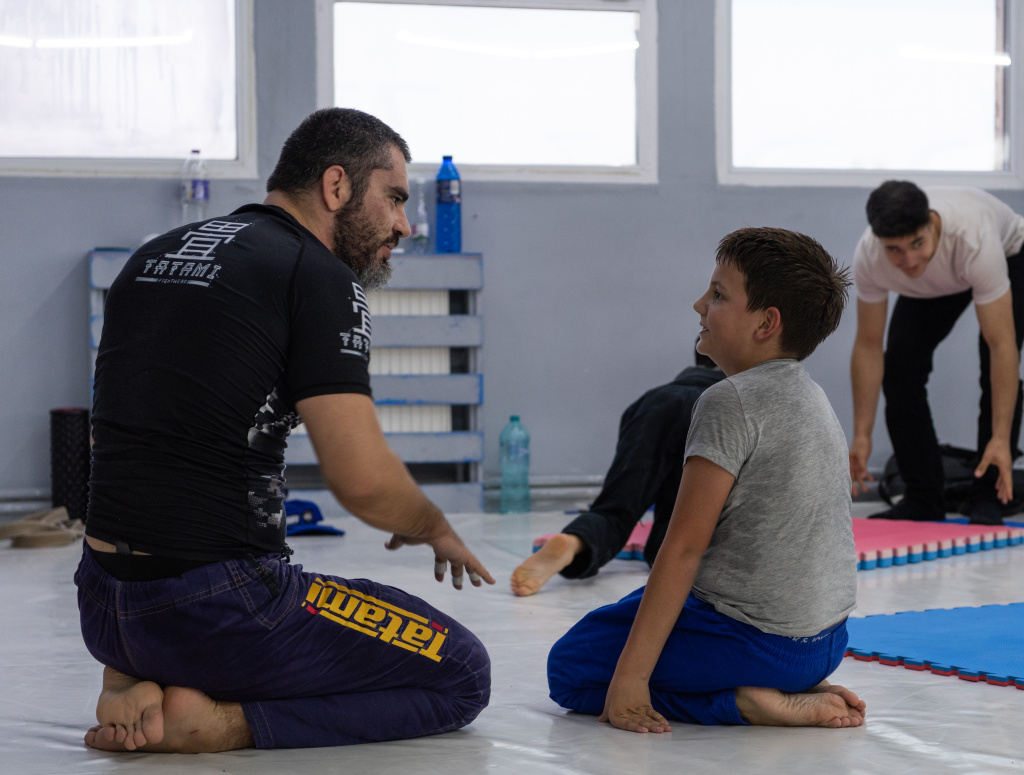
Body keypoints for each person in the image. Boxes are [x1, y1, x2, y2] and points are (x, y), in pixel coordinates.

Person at [75, 108, 495, 753]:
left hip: (101, 605)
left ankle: (134, 671)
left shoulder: (156, 254)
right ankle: (214, 724)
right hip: (220, 611)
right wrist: (431, 525)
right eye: (394, 199)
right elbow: (361, 482)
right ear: (336, 186)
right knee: (462, 672)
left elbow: (111, 440)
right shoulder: (317, 275)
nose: (404, 225)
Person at [547, 227, 865, 732]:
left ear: (766, 322)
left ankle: (746, 701)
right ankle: (782, 685)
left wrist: (631, 680)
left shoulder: (727, 400)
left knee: (570, 666)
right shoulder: (813, 395)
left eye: (718, 294)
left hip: (757, 644)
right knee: (626, 614)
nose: (699, 305)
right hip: (823, 646)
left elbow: (683, 549)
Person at [849, 181, 1024, 525]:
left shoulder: (972, 239)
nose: (909, 259)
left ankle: (988, 496)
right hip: (945, 269)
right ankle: (922, 498)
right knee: (900, 368)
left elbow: (1001, 346)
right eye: (895, 249)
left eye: (916, 243)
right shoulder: (871, 256)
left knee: (991, 359)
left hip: (1009, 254)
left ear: (931, 222)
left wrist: (1001, 439)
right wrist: (861, 435)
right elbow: (868, 345)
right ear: (879, 241)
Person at [510, 348, 724, 596]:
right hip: (710, 416)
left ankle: (573, 541)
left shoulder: (651, 398)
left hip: (654, 410)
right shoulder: (729, 404)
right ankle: (664, 553)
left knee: (614, 510)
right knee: (680, 520)